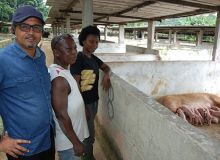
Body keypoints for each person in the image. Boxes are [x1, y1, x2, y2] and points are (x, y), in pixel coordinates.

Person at [0, 5, 55, 160]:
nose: (31, 32)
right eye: (25, 27)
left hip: (47, 139)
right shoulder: (2, 60)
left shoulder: (40, 56)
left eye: (36, 28)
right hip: (23, 149)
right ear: (13, 30)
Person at [70, 25, 111, 160]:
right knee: (89, 135)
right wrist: (83, 106)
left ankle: (87, 155)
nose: (94, 45)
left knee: (88, 132)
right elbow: (75, 85)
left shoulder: (93, 58)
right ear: (83, 41)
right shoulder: (78, 59)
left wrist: (107, 75)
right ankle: (86, 157)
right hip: (84, 103)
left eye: (97, 42)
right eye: (91, 41)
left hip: (94, 101)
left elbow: (107, 68)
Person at [49, 34, 89, 160]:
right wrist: (76, 143)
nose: (74, 52)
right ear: (56, 53)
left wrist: (83, 108)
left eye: (75, 48)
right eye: (68, 49)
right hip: (69, 144)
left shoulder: (64, 70)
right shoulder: (59, 79)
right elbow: (61, 115)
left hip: (73, 137)